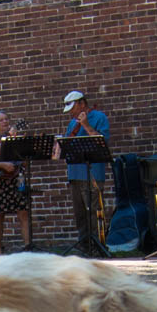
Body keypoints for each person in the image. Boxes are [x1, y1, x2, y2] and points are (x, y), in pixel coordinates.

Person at [57, 90, 110, 255]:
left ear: (81, 104)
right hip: (75, 173)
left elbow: (102, 142)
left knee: (94, 212)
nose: (71, 113)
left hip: (93, 173)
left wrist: (86, 125)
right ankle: (84, 247)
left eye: (73, 108)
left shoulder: (99, 117)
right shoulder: (72, 124)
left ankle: (98, 247)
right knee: (80, 214)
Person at [0, 110, 32, 255]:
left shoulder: (16, 139)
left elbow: (24, 161)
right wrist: (2, 165)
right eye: (1, 120)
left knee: (23, 212)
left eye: (7, 119)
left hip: (16, 179)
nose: (5, 122)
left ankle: (28, 246)